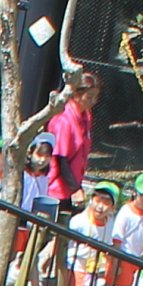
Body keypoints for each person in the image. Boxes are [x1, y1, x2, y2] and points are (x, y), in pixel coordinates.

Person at [43, 70, 100, 210]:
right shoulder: (64, 120)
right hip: (56, 188)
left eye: (96, 97)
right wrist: (75, 189)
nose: (93, 101)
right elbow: (60, 159)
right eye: (90, 97)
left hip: (71, 185)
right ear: (76, 94)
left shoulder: (85, 115)